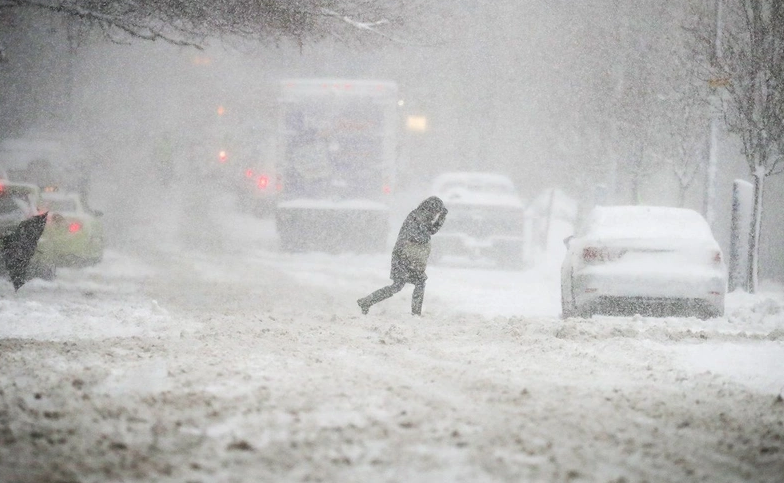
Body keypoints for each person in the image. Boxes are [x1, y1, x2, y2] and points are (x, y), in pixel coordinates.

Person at [358, 196, 448, 316]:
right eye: (437, 212)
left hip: (410, 258)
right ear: (431, 209)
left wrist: (441, 218)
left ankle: (367, 301)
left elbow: (431, 230)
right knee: (402, 285)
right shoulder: (417, 217)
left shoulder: (421, 216)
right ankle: (367, 302)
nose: (436, 214)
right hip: (403, 257)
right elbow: (421, 235)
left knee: (411, 283)